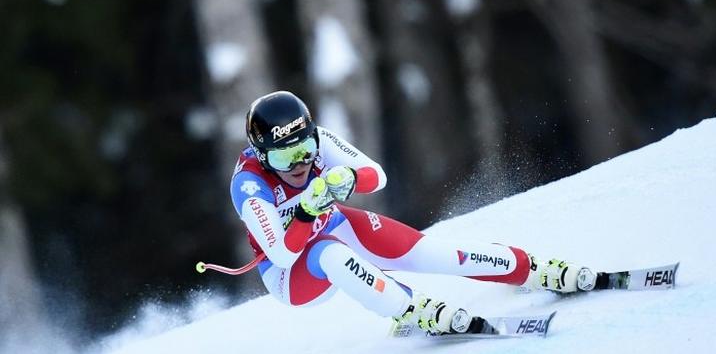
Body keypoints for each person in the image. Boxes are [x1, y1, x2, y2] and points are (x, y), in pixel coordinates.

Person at [229, 90, 596, 335]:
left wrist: (350, 177)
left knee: (428, 251)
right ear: (262, 157)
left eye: (305, 149)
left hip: (333, 225)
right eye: (283, 157)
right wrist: (308, 210)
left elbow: (378, 177)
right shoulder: (249, 186)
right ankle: (413, 310)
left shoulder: (319, 140)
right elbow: (281, 252)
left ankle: (529, 269)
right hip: (292, 274)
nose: (300, 163)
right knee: (332, 254)